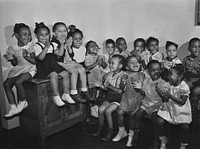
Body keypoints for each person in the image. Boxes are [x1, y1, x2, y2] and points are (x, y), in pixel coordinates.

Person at [130, 60, 166, 148]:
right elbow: (143, 94)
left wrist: (159, 90)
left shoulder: (163, 83)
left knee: (155, 119)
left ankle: (156, 140)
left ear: (161, 70)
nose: (156, 72)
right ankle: (136, 133)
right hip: (146, 104)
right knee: (137, 115)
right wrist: (140, 89)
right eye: (153, 70)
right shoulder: (146, 80)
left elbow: (165, 99)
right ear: (148, 72)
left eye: (158, 69)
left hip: (157, 106)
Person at [3, 23, 36, 118]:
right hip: (19, 68)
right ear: (17, 36)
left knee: (18, 82)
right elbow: (14, 64)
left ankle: (23, 101)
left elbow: (34, 62)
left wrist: (26, 56)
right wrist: (11, 58)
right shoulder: (12, 48)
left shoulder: (30, 46)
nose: (28, 37)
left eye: (29, 34)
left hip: (30, 68)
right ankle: (13, 107)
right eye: (24, 34)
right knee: (6, 84)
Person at [33, 22, 69, 107]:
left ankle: (66, 94)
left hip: (53, 65)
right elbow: (40, 58)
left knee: (66, 74)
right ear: (36, 36)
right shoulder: (37, 46)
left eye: (46, 34)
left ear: (49, 35)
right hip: (44, 68)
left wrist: (62, 44)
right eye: (41, 35)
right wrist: (45, 48)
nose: (44, 37)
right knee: (54, 74)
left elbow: (59, 54)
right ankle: (55, 95)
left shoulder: (52, 45)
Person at [112, 55, 145, 147]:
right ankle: (121, 131)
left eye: (137, 62)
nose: (135, 63)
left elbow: (143, 91)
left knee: (132, 115)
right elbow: (122, 88)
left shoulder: (141, 75)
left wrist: (140, 87)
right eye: (132, 62)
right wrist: (123, 81)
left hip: (138, 98)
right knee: (119, 112)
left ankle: (131, 135)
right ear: (127, 67)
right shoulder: (125, 74)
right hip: (127, 98)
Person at [156, 64, 192, 149]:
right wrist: (159, 91)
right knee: (159, 121)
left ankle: (184, 143)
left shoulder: (184, 87)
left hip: (181, 110)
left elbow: (182, 102)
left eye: (170, 74)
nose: (168, 76)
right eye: (168, 74)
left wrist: (170, 96)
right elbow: (165, 99)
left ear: (178, 77)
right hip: (169, 108)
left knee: (185, 127)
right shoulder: (168, 85)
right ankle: (163, 138)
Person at [92, 54, 127, 141]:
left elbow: (120, 91)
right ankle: (100, 128)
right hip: (110, 96)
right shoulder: (108, 75)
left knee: (108, 111)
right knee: (100, 110)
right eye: (110, 63)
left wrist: (109, 86)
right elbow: (106, 88)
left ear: (120, 66)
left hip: (119, 98)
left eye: (112, 63)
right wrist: (100, 86)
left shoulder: (123, 76)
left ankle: (110, 131)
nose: (110, 65)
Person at [182, 37, 200, 129]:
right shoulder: (186, 59)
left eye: (199, 46)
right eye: (194, 46)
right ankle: (186, 115)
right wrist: (184, 80)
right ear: (189, 49)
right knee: (183, 89)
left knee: (195, 92)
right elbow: (183, 72)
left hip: (199, 81)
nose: (197, 48)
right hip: (189, 80)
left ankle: (195, 116)